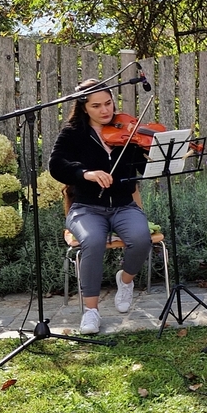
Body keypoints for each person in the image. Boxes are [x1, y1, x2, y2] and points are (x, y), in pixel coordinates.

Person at [49, 80, 153, 335]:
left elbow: (143, 169)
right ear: (84, 107)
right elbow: (56, 165)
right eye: (96, 106)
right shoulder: (73, 134)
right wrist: (85, 173)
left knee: (141, 239)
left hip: (124, 205)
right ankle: (91, 311)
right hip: (86, 208)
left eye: (108, 103)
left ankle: (125, 281)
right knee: (93, 241)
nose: (105, 110)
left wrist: (153, 151)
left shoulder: (127, 132)